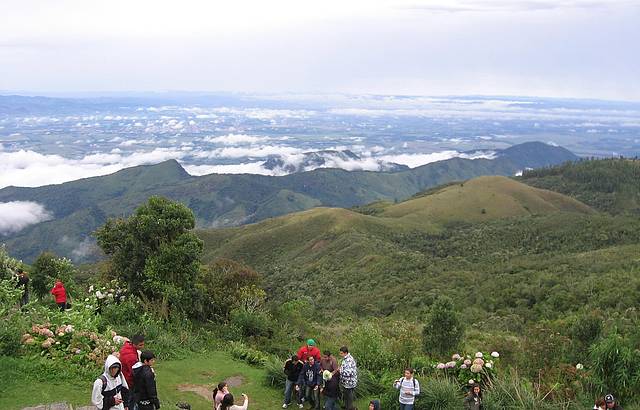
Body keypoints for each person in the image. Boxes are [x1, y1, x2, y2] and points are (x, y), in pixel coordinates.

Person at [120, 334, 145, 407]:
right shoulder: (131, 356)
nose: (142, 347)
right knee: (130, 401)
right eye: (140, 345)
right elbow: (134, 372)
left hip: (124, 377)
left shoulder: (127, 347)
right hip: (129, 381)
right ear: (134, 344)